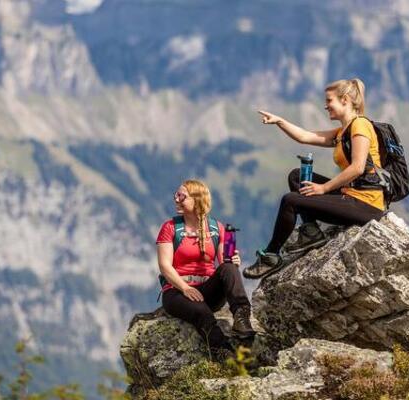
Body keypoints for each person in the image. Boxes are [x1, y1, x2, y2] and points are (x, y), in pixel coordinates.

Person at [243, 78, 385, 279]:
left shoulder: (360, 126)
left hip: (366, 205)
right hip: (352, 196)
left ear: (344, 100)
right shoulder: (342, 131)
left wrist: (324, 188)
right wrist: (280, 121)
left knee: (290, 201)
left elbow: (358, 167)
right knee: (297, 176)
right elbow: (305, 137)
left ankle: (271, 256)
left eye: (329, 101)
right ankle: (311, 232)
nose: (325, 106)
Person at [157, 179, 255, 359]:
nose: (176, 199)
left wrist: (234, 260)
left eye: (181, 196)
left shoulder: (216, 228)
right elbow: (165, 265)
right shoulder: (170, 228)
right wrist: (185, 288)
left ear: (197, 200)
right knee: (202, 312)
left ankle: (241, 317)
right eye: (176, 195)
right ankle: (223, 353)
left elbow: (224, 263)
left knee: (228, 268)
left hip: (207, 290)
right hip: (177, 291)